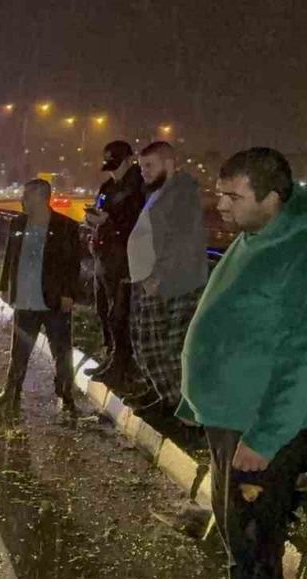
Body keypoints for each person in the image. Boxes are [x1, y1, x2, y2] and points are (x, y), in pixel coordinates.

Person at [178, 148, 307, 579]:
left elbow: (302, 357)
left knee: (250, 533)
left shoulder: (298, 252)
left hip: (259, 421)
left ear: (272, 198)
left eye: (233, 196)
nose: (221, 205)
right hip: (231, 413)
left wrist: (267, 436)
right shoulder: (259, 235)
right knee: (244, 526)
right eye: (220, 193)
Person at [124, 141, 210, 420]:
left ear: (170, 163)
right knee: (146, 345)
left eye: (149, 165)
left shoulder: (182, 193)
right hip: (150, 281)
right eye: (141, 167)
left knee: (163, 349)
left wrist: (157, 276)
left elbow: (182, 240)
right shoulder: (161, 192)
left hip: (169, 284)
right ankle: (166, 400)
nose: (144, 172)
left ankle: (181, 411)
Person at [0, 179, 82, 417]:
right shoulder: (17, 223)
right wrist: (5, 286)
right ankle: (11, 391)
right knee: (19, 350)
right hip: (25, 299)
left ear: (42, 197)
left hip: (54, 301)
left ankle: (66, 394)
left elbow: (73, 264)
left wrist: (69, 294)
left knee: (61, 351)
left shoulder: (65, 227)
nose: (22, 200)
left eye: (27, 196)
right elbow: (10, 257)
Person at [84, 140, 146, 387]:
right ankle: (111, 355)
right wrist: (93, 220)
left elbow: (139, 224)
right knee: (104, 310)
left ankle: (122, 364)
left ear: (129, 159)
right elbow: (100, 208)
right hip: (103, 255)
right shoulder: (107, 186)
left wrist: (108, 222)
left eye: (116, 165)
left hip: (125, 258)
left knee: (120, 313)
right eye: (109, 166)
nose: (113, 172)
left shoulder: (140, 187)